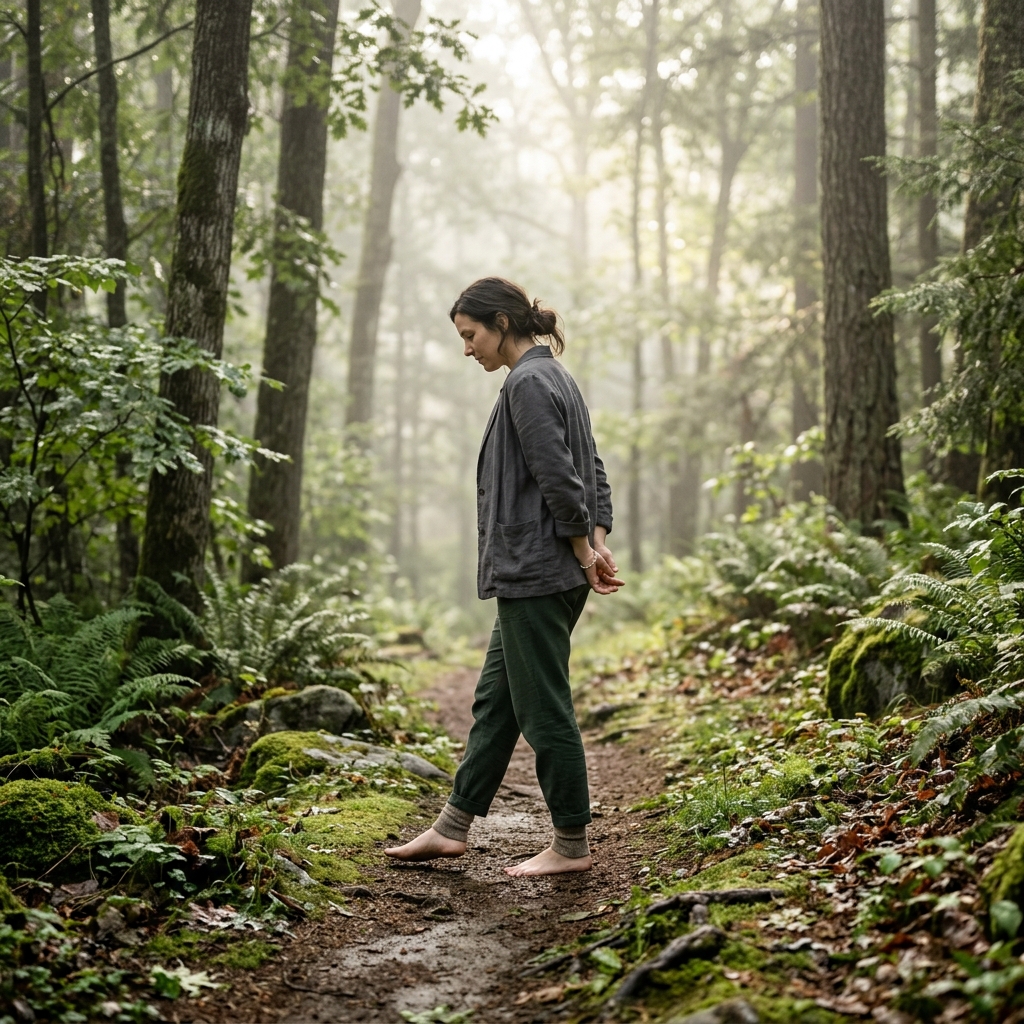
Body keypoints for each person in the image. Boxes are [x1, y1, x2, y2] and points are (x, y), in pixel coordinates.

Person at [385, 277, 624, 877]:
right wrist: (595, 542)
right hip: (544, 569)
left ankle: (571, 845)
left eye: (471, 335)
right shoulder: (555, 378)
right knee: (497, 703)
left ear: (500, 324)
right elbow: (591, 468)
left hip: (538, 573)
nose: (468, 349)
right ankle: (451, 828)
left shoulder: (527, 382)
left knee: (543, 708)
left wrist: (582, 551)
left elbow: (562, 479)